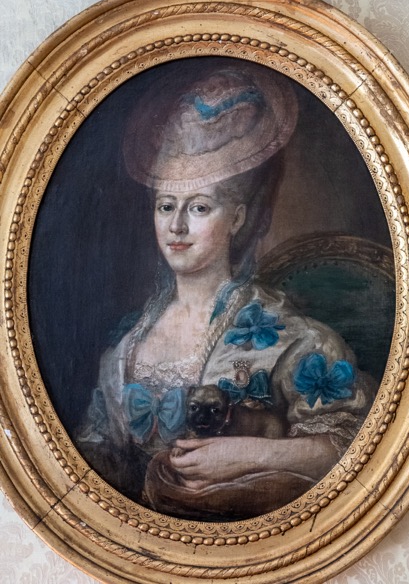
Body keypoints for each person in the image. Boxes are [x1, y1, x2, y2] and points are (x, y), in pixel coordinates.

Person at [76, 59, 376, 520]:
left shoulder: (289, 337)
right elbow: (94, 462)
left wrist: (250, 455)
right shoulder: (126, 345)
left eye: (199, 207)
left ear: (236, 218)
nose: (176, 226)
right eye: (166, 206)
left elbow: (355, 447)